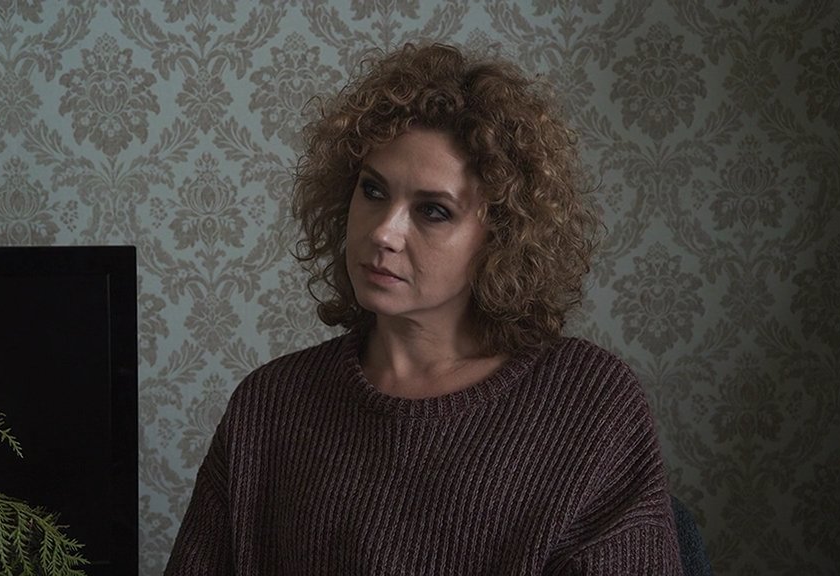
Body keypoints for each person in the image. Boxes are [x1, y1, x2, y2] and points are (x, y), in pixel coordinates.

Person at [165, 42, 683, 575]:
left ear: (501, 235)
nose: (383, 233)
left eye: (433, 211)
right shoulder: (269, 406)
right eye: (373, 191)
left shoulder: (590, 406)